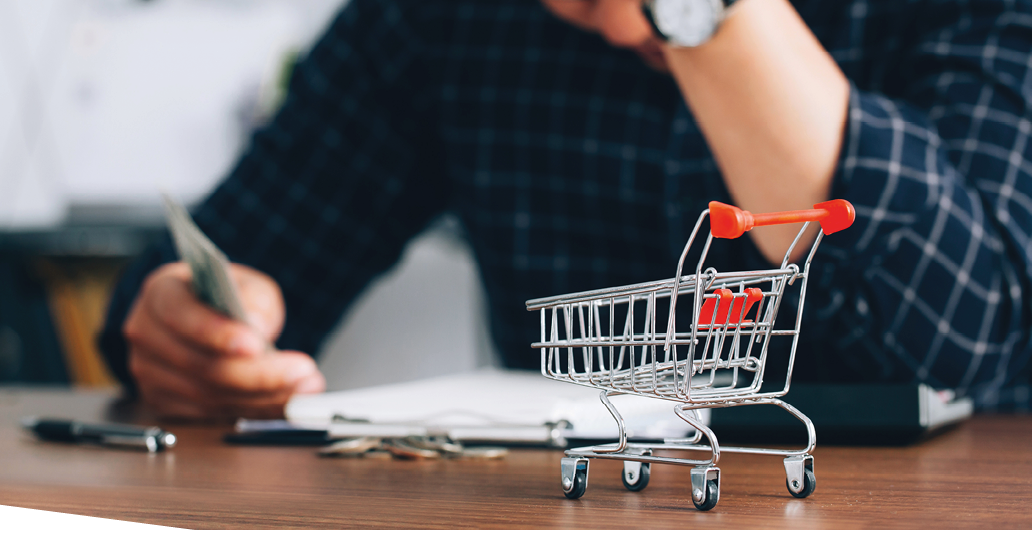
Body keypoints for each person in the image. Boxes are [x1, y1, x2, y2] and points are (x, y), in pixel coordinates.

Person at [99, 0, 1032, 420]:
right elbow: (233, 268)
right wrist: (188, 326)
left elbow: (954, 354)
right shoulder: (448, 20)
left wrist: (704, 13)